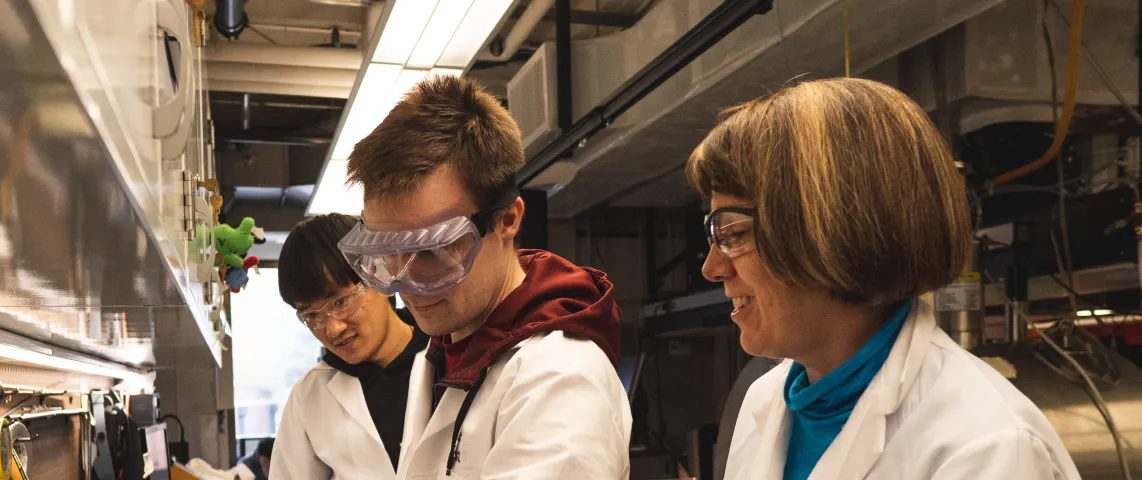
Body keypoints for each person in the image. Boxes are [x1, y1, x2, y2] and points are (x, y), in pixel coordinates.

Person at [688, 77, 1080, 480]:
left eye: (733, 234)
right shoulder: (765, 402)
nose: (713, 268)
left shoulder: (986, 445)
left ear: (833, 230)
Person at [339, 75, 631, 478]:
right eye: (387, 253)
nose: (407, 284)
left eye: (431, 250)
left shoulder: (560, 377)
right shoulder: (444, 347)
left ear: (507, 219)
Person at [268, 214, 432, 479]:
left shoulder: (454, 357)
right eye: (311, 316)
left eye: (340, 302)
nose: (332, 329)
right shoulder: (310, 396)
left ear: (379, 276)